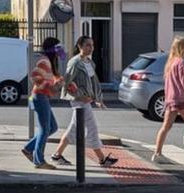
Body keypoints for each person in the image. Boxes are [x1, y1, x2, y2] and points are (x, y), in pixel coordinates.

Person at [52, 36, 117, 166]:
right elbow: (67, 83)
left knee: (73, 129)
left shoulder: (89, 62)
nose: (91, 48)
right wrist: (80, 96)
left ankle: (57, 155)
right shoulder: (75, 62)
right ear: (80, 46)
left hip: (86, 101)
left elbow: (94, 82)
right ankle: (102, 159)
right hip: (78, 101)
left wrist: (98, 99)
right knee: (92, 128)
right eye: (87, 45)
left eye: (92, 45)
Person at [152, 36, 184, 164]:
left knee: (166, 126)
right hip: (180, 100)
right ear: (182, 47)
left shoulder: (171, 62)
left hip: (170, 99)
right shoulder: (181, 62)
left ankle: (157, 153)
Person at [21, 38, 66, 170]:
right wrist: (49, 85)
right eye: (59, 47)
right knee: (45, 129)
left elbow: (50, 78)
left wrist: (58, 81)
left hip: (42, 97)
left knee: (52, 127)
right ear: (53, 48)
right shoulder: (44, 61)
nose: (61, 50)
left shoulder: (50, 62)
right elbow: (34, 76)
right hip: (39, 97)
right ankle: (39, 161)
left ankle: (28, 148)